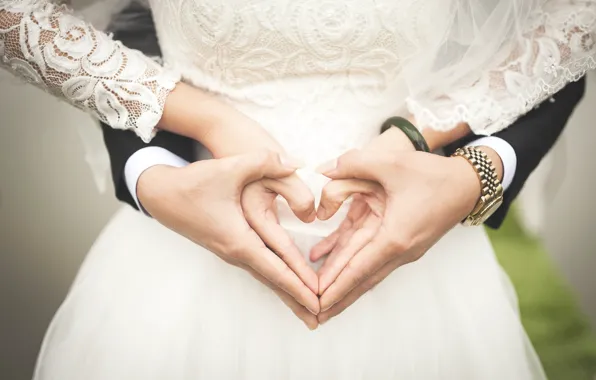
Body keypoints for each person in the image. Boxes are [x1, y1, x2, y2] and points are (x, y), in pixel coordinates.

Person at [1, 0, 594, 379]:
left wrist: (438, 151)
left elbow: (571, 20)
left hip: (419, 266)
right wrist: (204, 122)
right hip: (185, 265)